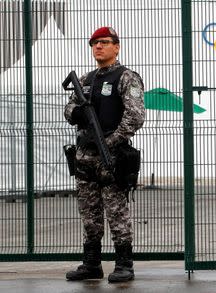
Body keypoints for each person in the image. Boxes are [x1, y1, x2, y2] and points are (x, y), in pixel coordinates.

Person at [64, 26, 145, 283]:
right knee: (89, 213)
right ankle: (91, 264)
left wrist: (110, 141)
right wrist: (78, 112)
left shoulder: (126, 77)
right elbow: (69, 110)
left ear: (116, 47)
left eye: (104, 42)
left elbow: (135, 116)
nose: (98, 47)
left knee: (117, 212)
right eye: (94, 43)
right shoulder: (86, 79)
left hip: (111, 156)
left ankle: (124, 264)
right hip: (85, 156)